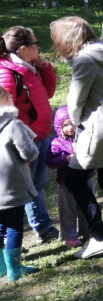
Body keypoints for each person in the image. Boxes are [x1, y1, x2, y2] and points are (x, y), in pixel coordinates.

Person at [50, 17, 103, 259]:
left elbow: (75, 102)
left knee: (75, 180)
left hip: (98, 127)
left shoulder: (84, 59)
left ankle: (99, 236)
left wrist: (75, 123)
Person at [0, 26, 59, 244]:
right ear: (23, 49)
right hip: (26, 138)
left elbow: (49, 93)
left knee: (37, 183)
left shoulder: (29, 67)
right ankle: (37, 230)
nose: (38, 48)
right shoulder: (7, 72)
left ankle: (41, 228)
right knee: (25, 188)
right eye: (35, 44)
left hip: (41, 133)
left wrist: (45, 68)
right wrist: (23, 138)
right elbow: (6, 113)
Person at [0, 86, 40, 281]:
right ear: (7, 98)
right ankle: (14, 269)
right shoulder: (13, 125)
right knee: (14, 225)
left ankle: (1, 266)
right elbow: (29, 153)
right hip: (12, 185)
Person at [47, 107, 93, 248]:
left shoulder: (83, 137)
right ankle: (69, 236)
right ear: (58, 126)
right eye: (65, 125)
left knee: (87, 207)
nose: (69, 128)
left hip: (85, 179)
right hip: (66, 182)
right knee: (68, 210)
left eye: (72, 124)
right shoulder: (56, 143)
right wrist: (65, 159)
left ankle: (89, 231)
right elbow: (51, 162)